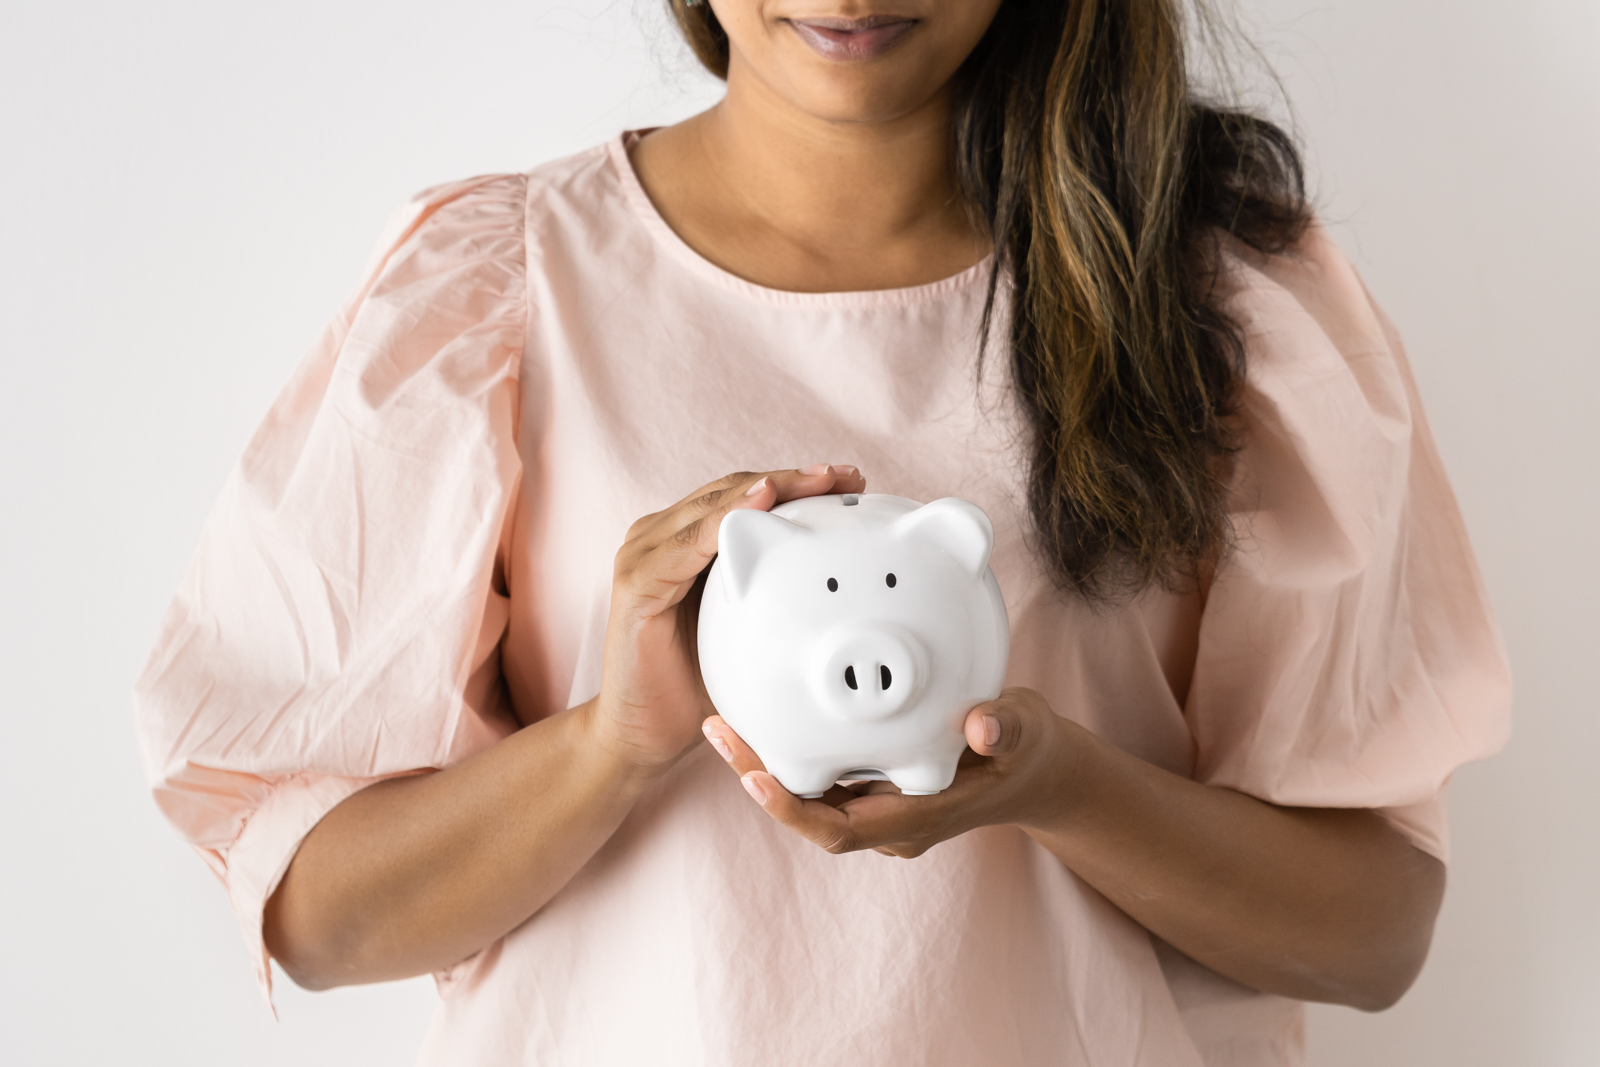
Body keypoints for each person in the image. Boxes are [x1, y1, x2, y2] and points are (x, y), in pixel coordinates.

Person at [133, 1, 1511, 1063]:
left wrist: (1059, 787)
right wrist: (612, 742)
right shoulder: (497, 290)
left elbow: (1372, 932)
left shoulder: (1216, 299)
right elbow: (317, 916)